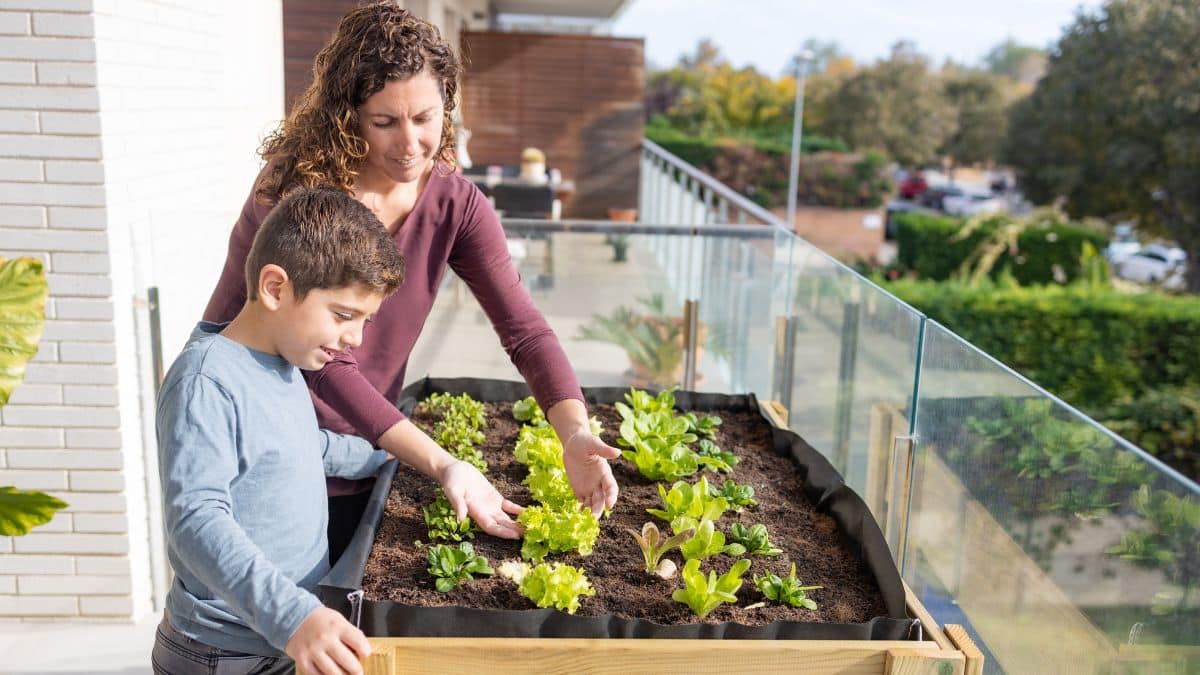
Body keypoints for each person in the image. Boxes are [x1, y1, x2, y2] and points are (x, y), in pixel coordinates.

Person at [202, 1, 619, 542]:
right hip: (260, 438)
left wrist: (574, 433)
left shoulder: (455, 203)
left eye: (425, 118)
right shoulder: (299, 193)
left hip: (362, 446)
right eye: (385, 122)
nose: (409, 144)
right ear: (347, 116)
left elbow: (526, 330)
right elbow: (326, 362)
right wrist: (443, 463)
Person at [154, 189, 407, 675]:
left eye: (364, 320)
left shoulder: (280, 361)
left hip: (277, 636)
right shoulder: (206, 380)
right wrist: (294, 617)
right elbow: (196, 520)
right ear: (275, 288)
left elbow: (304, 446)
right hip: (226, 653)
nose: (355, 338)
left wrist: (385, 462)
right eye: (343, 315)